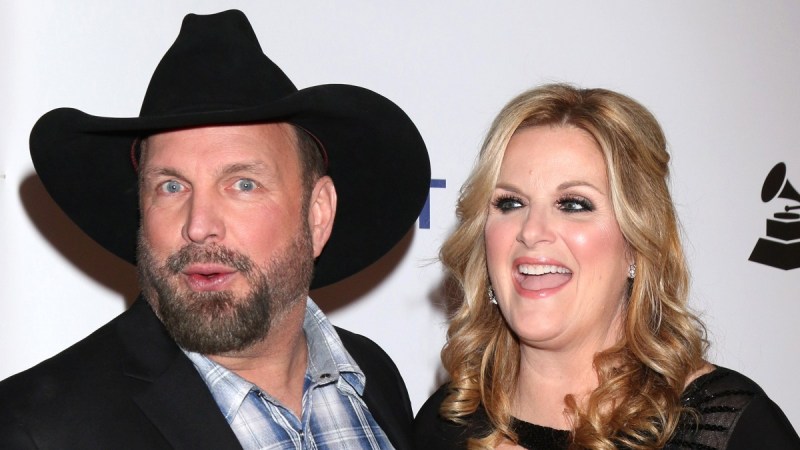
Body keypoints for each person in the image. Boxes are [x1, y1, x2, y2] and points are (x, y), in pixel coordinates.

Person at [0, 10, 430, 450]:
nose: (199, 225)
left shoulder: (374, 378)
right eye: (171, 186)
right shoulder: (37, 429)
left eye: (243, 184)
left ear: (317, 214)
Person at [414, 83, 799, 449]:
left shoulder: (723, 427)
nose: (531, 231)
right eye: (510, 203)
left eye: (574, 204)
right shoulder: (445, 423)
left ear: (635, 243)